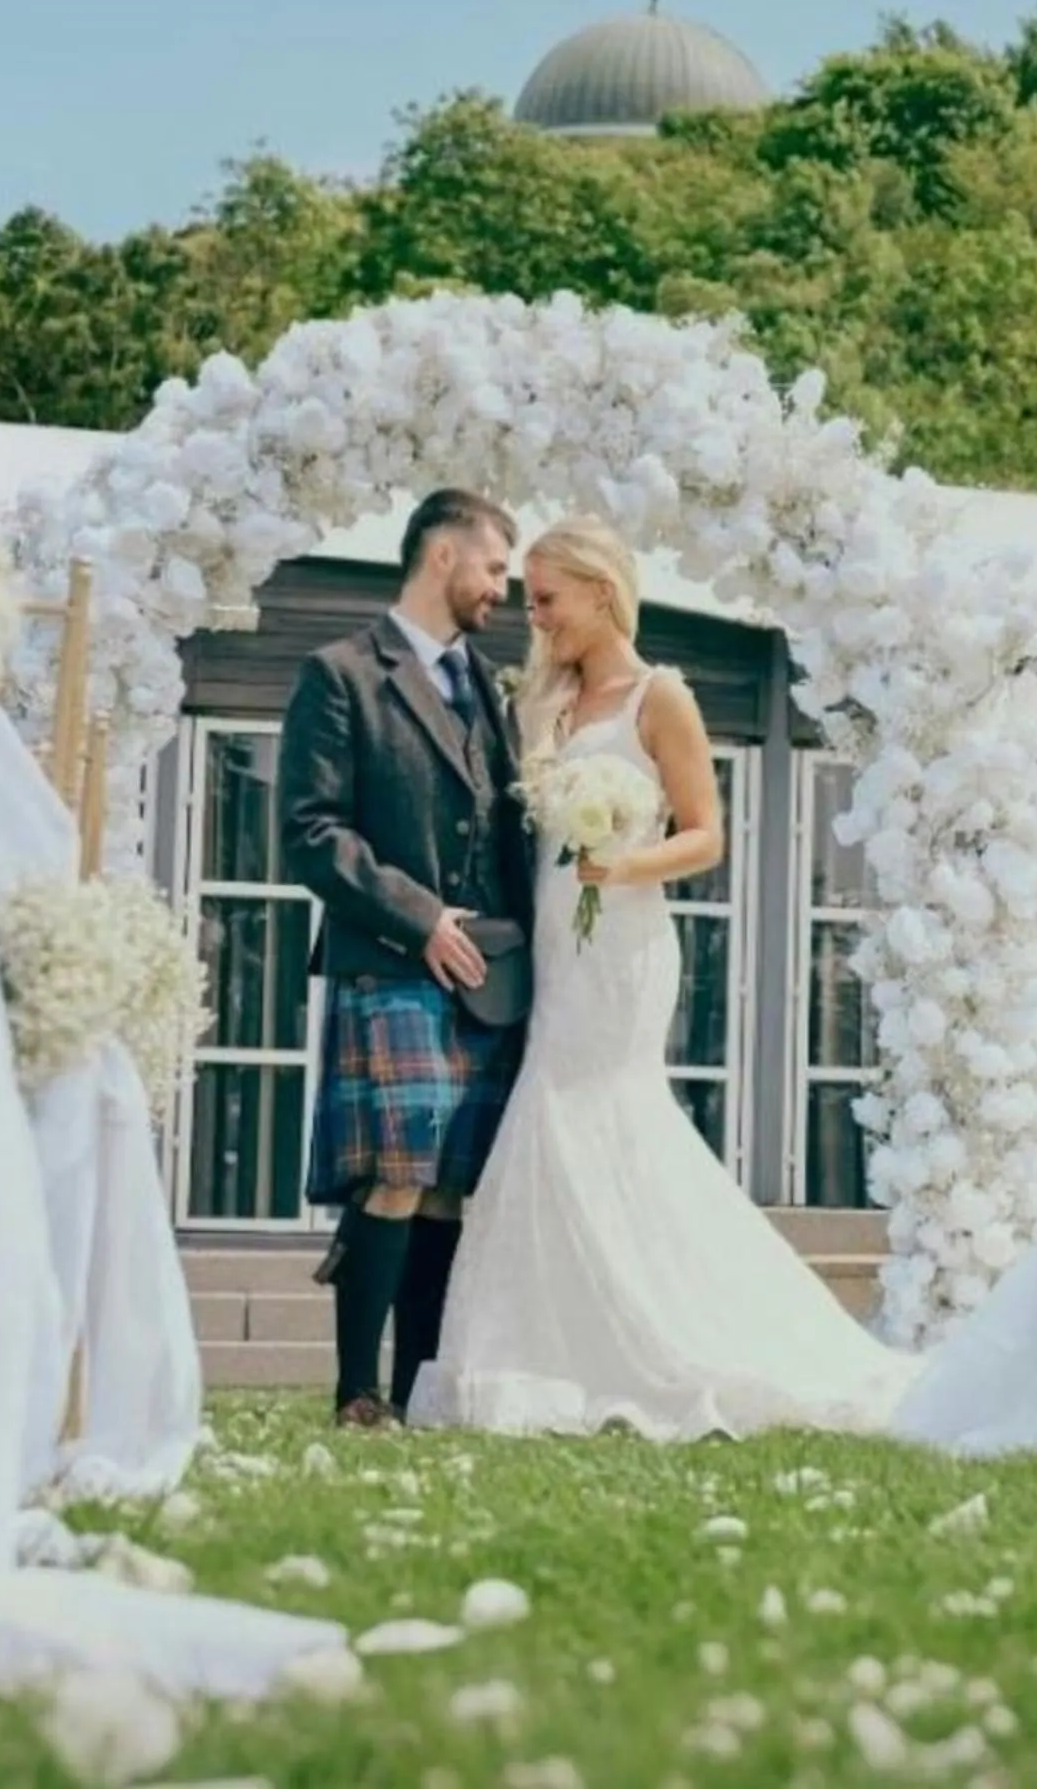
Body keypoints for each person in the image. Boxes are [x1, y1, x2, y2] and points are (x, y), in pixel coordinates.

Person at [407, 514, 920, 1439]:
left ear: (602, 592)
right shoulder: (542, 703)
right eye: (528, 600)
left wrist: (623, 862)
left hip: (625, 940)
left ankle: (668, 1332)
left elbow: (706, 832)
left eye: (549, 599)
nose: (538, 616)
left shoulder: (661, 696)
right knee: (551, 1116)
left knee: (596, 1109)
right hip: (557, 945)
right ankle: (550, 1352)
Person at [281, 488, 534, 1428]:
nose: (502, 590)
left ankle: (419, 1390)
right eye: (495, 568)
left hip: (489, 978)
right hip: (391, 958)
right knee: (393, 1171)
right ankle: (357, 1393)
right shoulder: (341, 674)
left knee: (446, 1190)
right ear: (441, 557)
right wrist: (422, 918)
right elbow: (310, 833)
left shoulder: (494, 691)